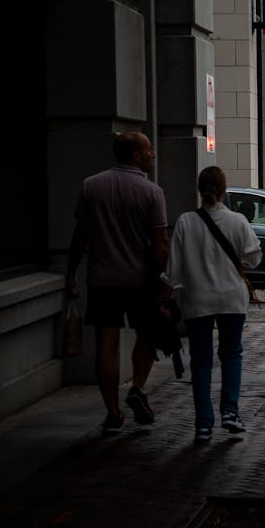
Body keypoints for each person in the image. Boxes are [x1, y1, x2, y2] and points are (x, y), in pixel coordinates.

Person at [66, 131, 171, 436]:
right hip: (140, 281)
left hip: (102, 279)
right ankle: (137, 387)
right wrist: (167, 281)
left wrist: (71, 273)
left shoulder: (91, 186)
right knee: (148, 335)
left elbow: (80, 237)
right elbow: (160, 242)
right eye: (149, 150)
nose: (153, 154)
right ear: (136, 156)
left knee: (106, 345)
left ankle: (113, 413)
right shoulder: (152, 192)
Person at [162, 166, 263, 444]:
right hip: (232, 298)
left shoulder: (185, 222)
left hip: (196, 299)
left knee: (201, 361)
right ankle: (230, 411)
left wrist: (167, 295)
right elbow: (253, 259)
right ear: (223, 190)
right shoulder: (238, 221)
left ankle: (203, 424)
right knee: (232, 355)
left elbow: (173, 270)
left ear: (199, 189)